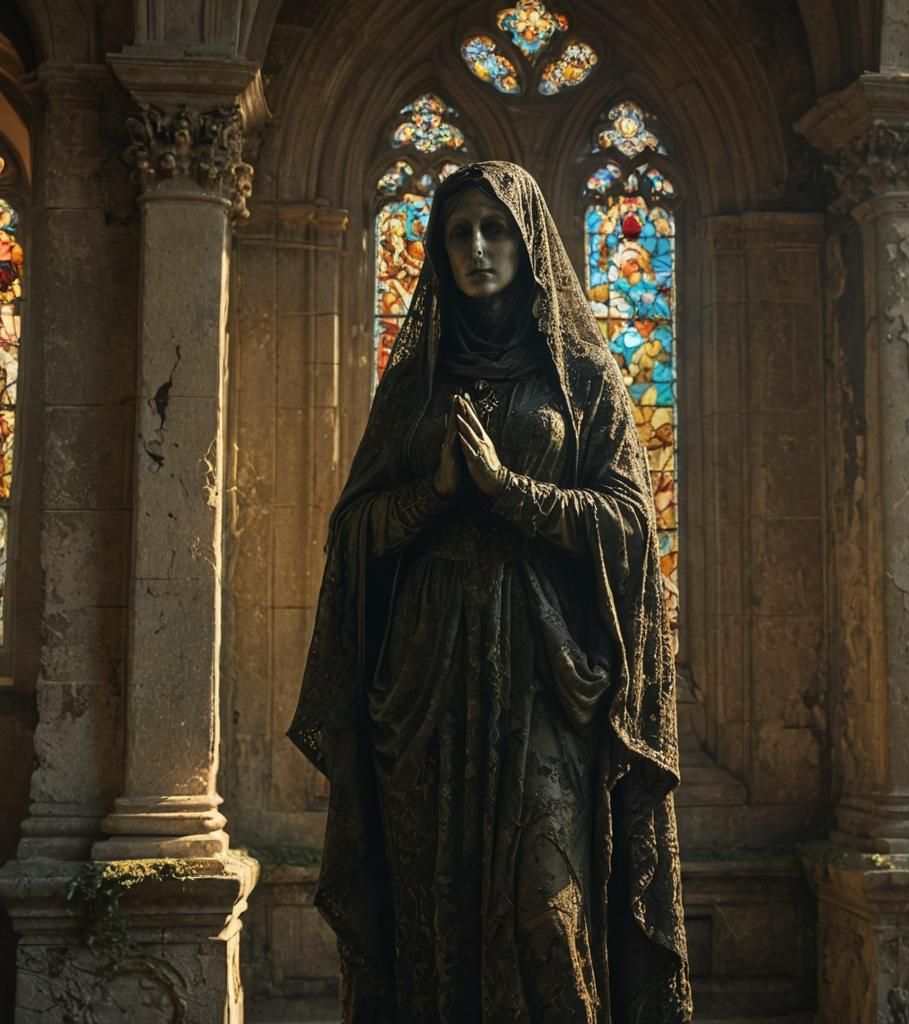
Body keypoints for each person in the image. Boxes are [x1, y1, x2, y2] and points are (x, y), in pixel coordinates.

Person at [288, 161, 691, 1023]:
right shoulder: (417, 387)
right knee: (431, 911)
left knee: (548, 909)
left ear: (530, 243)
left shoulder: (582, 380)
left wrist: (516, 494)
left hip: (548, 678)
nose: (476, 247)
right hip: (426, 684)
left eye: (495, 229)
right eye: (458, 231)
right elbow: (352, 533)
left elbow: (629, 525)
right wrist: (432, 495)